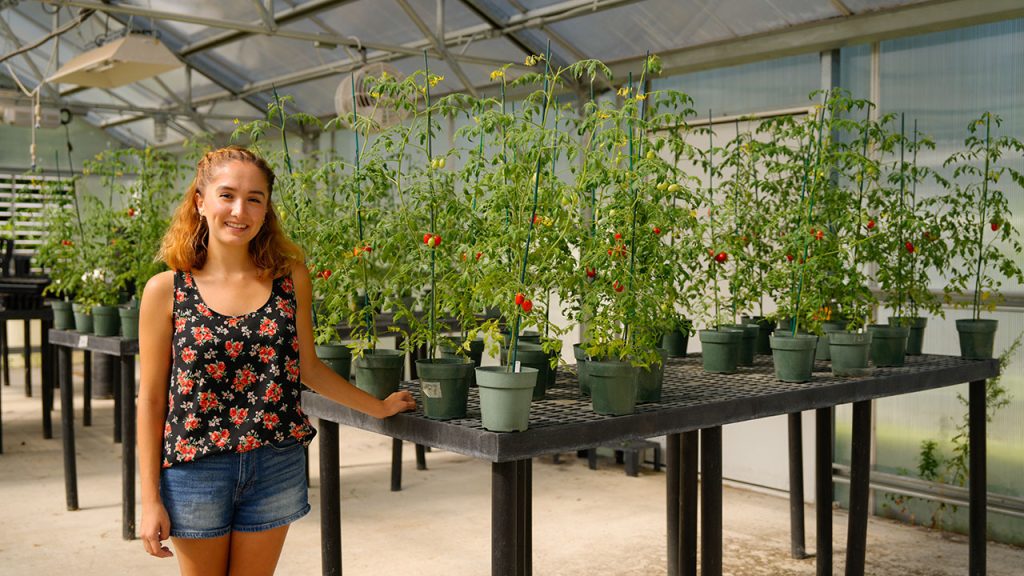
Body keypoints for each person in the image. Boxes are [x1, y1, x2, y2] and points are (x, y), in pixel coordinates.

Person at [137, 146, 416, 575]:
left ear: (267, 210)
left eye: (255, 198)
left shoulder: (289, 279)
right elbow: (152, 400)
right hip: (196, 469)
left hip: (274, 463)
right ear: (200, 200)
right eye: (227, 195)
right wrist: (150, 499)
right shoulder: (166, 290)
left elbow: (309, 368)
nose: (239, 210)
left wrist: (377, 408)